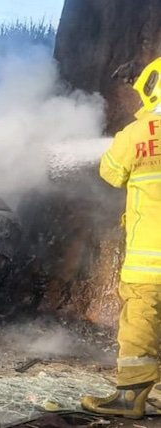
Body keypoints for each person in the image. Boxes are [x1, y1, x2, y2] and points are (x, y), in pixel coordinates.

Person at [81, 57, 161, 418]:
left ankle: (131, 397)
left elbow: (110, 172)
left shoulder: (138, 134)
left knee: (140, 323)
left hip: (151, 257)